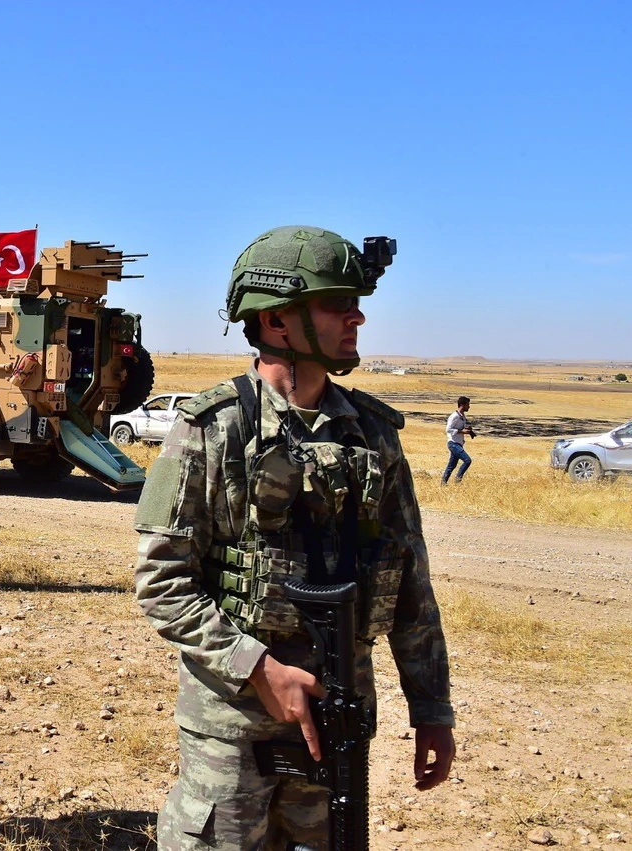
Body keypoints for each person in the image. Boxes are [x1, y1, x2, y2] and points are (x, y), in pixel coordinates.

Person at [133, 227, 455, 850]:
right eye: (338, 304)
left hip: (338, 717)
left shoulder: (372, 436)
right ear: (277, 321)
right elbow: (161, 582)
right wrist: (259, 670)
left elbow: (410, 582)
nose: (357, 316)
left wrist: (431, 709)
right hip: (233, 725)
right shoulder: (211, 431)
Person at [442, 396, 474, 484]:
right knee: (467, 460)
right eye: (468, 404)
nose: (469, 406)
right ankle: (458, 480)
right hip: (453, 443)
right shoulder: (454, 416)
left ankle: (443, 484)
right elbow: (448, 429)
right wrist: (461, 431)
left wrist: (468, 431)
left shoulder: (462, 416)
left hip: (458, 443)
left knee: (451, 466)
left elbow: (460, 429)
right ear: (462, 405)